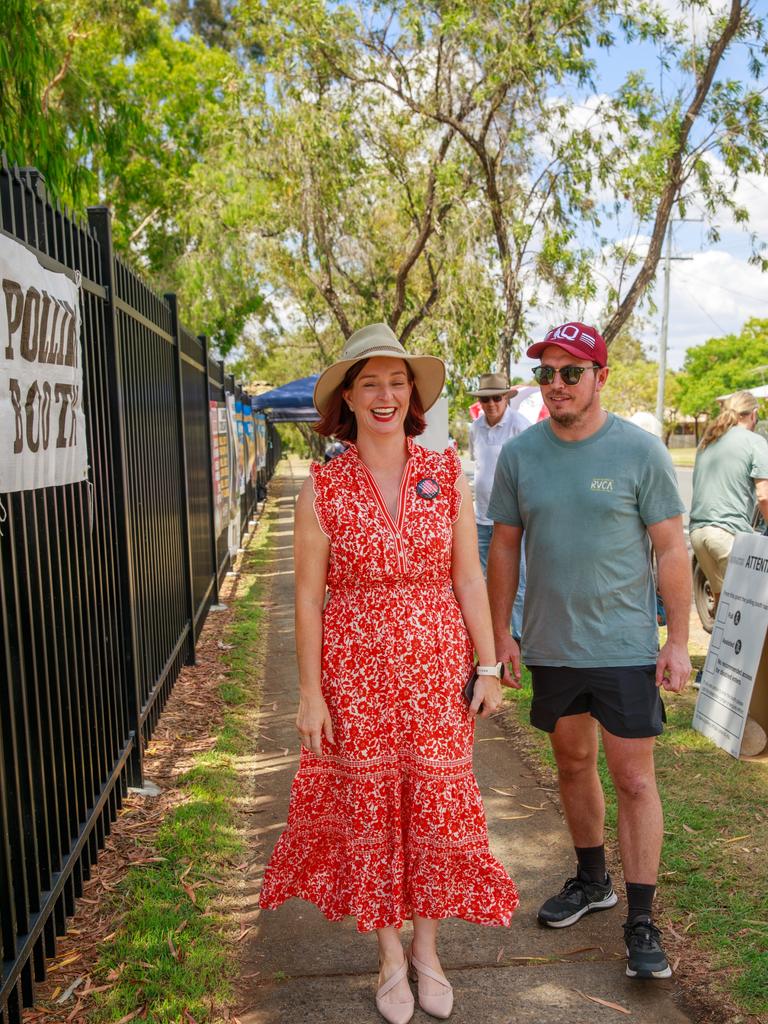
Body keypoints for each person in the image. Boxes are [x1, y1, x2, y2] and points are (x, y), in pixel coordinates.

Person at [259, 324, 518, 1023]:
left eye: (397, 382)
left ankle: (428, 952)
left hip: (438, 670)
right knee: (370, 810)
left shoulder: (445, 476)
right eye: (370, 382)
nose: (385, 395)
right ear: (348, 397)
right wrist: (310, 693)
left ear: (413, 394)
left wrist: (489, 664)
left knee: (434, 805)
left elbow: (468, 576)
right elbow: (308, 598)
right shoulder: (322, 488)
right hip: (356, 673)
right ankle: (387, 955)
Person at [486, 321, 691, 981]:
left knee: (633, 778)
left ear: (600, 376)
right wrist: (500, 636)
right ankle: (592, 879)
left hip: (626, 646)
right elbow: (505, 549)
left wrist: (679, 641)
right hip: (552, 645)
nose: (556, 386)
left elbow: (671, 548)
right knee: (573, 766)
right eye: (546, 373)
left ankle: (640, 918)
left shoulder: (640, 451)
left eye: (570, 372)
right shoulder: (520, 456)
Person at [689, 390, 768, 612]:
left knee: (724, 613)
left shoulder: (708, 440)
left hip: (699, 535)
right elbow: (764, 495)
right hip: (727, 536)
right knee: (751, 615)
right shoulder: (755, 441)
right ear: (754, 414)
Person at [469, 373, 530, 640]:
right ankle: (496, 631)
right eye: (485, 399)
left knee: (518, 578)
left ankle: (520, 633)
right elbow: (479, 466)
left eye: (496, 397)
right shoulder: (475, 428)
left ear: (506, 398)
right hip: (482, 517)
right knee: (485, 579)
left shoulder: (520, 426)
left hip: (512, 519)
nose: (491, 403)